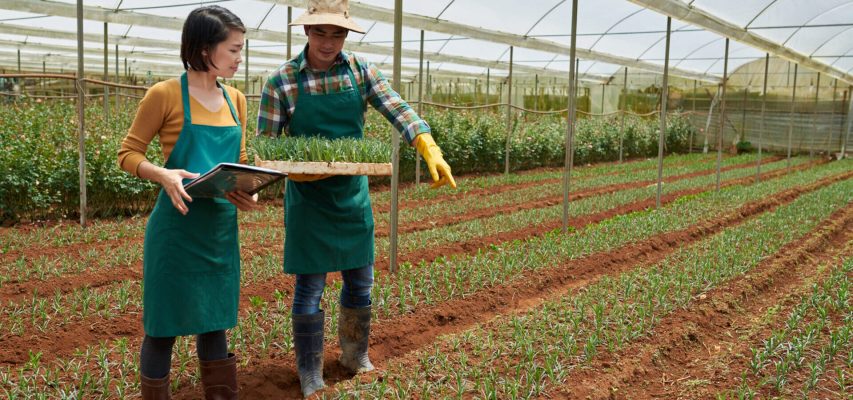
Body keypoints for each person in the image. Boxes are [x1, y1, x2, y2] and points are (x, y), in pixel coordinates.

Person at [257, 0, 457, 397]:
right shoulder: (282, 82)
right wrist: (294, 169)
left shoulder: (360, 71)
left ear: (346, 35)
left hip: (351, 197)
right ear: (306, 32)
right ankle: (310, 372)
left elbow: (396, 106)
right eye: (320, 32)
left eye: (337, 34)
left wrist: (425, 142)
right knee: (310, 286)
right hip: (308, 199)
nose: (329, 42)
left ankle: (354, 356)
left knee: (361, 282)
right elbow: (265, 146)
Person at [117, 5, 257, 399]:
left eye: (240, 49)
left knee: (215, 323)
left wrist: (248, 187)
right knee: (163, 327)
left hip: (218, 231)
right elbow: (128, 154)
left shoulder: (237, 100)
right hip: (177, 231)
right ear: (203, 48)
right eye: (233, 49)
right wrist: (161, 174)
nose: (239, 58)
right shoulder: (163, 95)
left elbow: (239, 162)